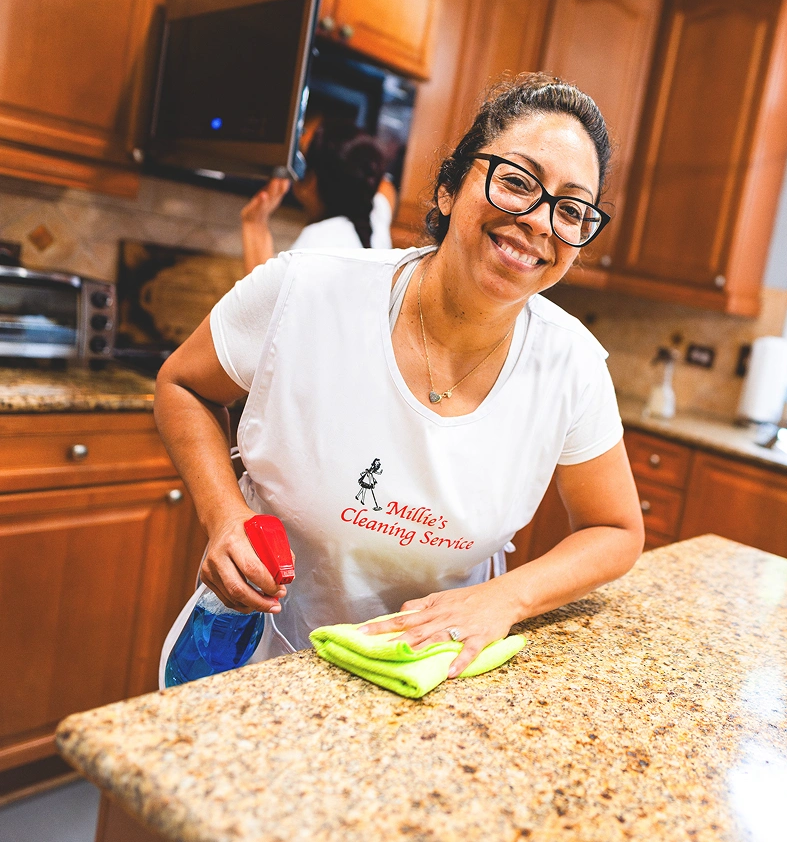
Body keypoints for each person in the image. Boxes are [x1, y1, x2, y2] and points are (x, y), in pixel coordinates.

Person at [156, 74, 643, 678]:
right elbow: (182, 384)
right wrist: (225, 516)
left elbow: (616, 529)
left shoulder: (572, 366)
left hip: (427, 682)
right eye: (517, 182)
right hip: (260, 662)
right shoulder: (305, 290)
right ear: (448, 189)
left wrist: (506, 597)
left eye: (571, 209)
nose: (541, 222)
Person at [239, 117, 399, 274]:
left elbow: (264, 296)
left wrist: (254, 222)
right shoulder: (373, 215)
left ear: (312, 181)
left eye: (301, 154)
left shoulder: (315, 247)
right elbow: (386, 186)